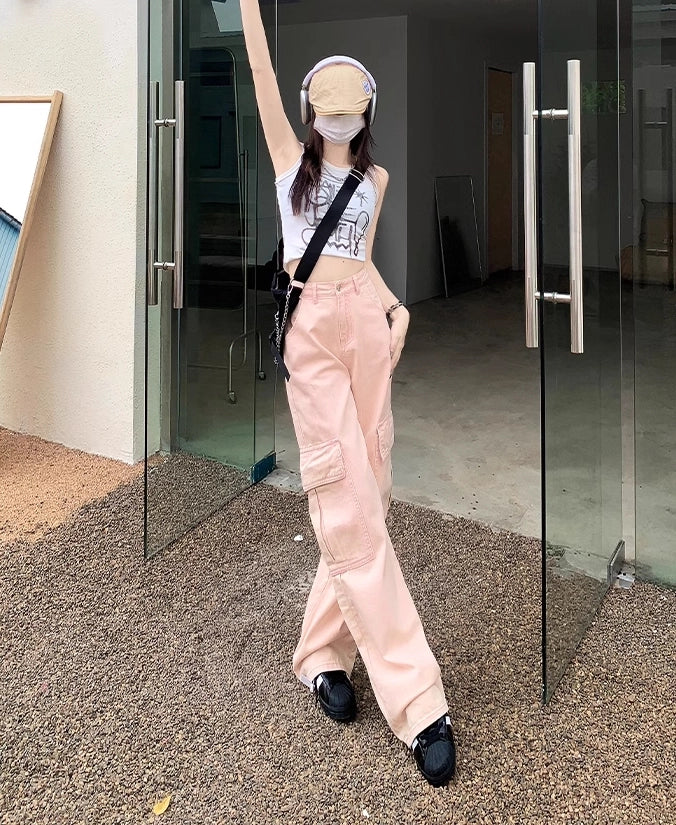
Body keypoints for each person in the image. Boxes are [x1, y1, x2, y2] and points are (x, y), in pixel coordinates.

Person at [241, 0, 456, 787]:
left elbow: (358, 259)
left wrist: (397, 307)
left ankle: (320, 652)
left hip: (367, 323)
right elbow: (260, 71)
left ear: (364, 111)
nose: (334, 119)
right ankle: (419, 700)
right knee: (345, 499)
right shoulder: (287, 161)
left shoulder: (375, 178)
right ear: (310, 110)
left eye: (347, 107)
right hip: (313, 333)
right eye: (324, 107)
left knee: (374, 485)